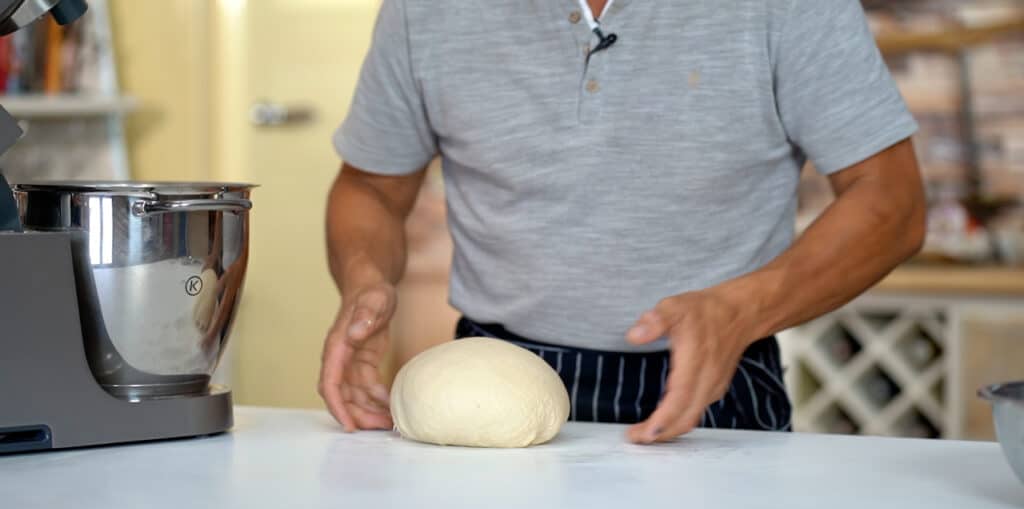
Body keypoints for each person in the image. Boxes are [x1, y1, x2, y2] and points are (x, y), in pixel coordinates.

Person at [318, 0, 926, 444]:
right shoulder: (424, 11)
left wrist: (746, 306)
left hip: (714, 381)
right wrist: (365, 280)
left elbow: (890, 203)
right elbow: (370, 187)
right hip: (491, 373)